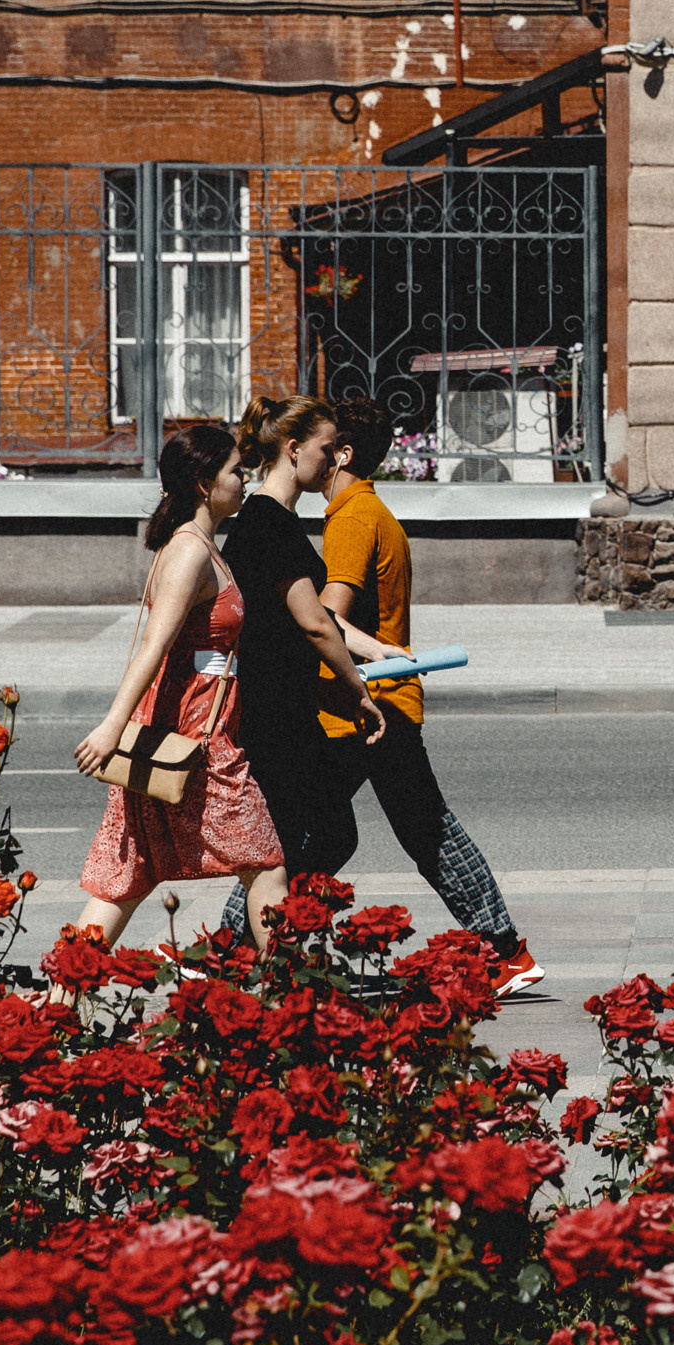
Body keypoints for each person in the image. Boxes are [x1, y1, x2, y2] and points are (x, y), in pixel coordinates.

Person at [212, 397, 543, 993]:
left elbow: (324, 620)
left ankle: (233, 946)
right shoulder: (355, 514)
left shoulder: (352, 519)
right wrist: (377, 653)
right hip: (360, 703)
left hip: (360, 711)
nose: (324, 456)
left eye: (332, 445)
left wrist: (367, 666)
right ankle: (240, 945)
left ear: (341, 454)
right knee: (340, 830)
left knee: (343, 831)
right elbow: (323, 620)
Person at [73, 416, 290, 949]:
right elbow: (154, 645)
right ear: (203, 483)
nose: (246, 481)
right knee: (266, 866)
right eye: (238, 472)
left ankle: (57, 1002)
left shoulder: (199, 546)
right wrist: (110, 728)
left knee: (127, 877)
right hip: (197, 740)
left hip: (187, 730)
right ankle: (290, 1001)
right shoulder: (191, 551)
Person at [225, 395, 386, 873]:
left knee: (303, 838)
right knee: (318, 837)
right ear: (294, 449)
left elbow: (318, 616)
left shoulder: (270, 519)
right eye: (328, 448)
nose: (335, 459)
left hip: (282, 708)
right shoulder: (272, 522)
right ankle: (259, 940)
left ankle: (266, 941)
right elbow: (314, 624)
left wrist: (374, 648)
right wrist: (358, 690)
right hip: (275, 713)